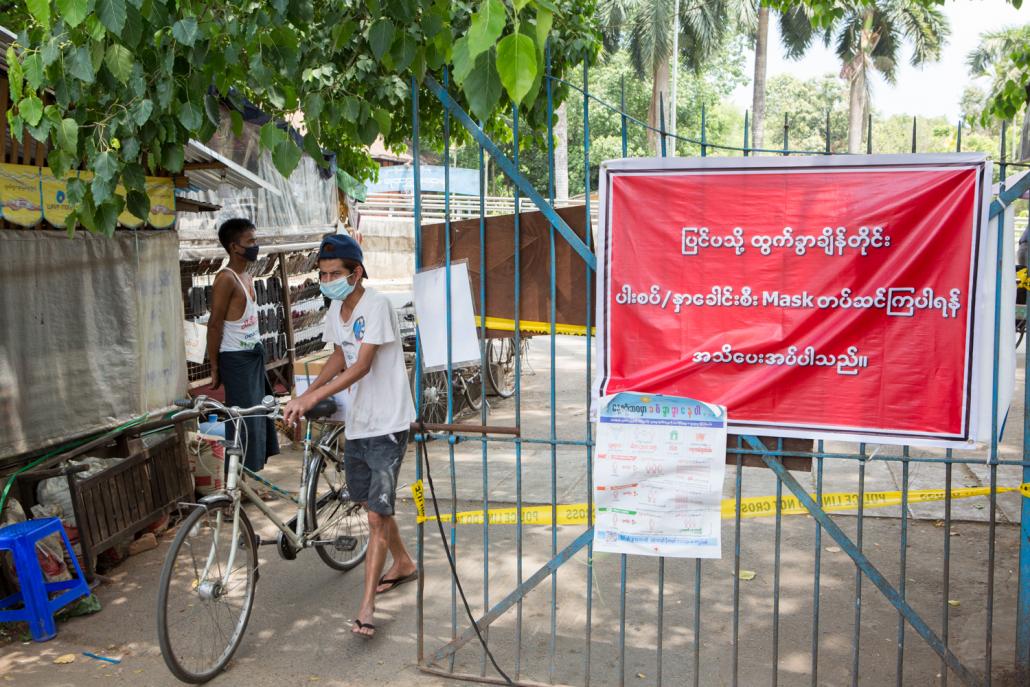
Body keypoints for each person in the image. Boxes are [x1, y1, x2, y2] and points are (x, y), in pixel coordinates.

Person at [283, 234, 417, 639]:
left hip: (388, 423)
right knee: (370, 503)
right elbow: (340, 355)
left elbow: (360, 366)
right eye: (323, 275)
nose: (327, 280)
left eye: (334, 274)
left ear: (356, 273)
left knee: (376, 515)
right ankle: (404, 563)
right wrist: (304, 393)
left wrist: (314, 398)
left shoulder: (377, 305)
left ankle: (366, 608)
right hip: (359, 422)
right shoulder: (337, 310)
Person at [207, 218, 279, 473]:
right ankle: (235, 485)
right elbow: (214, 324)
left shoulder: (246, 275)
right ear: (234, 246)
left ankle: (249, 479)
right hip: (235, 359)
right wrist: (215, 367)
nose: (255, 246)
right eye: (250, 241)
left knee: (258, 418)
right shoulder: (226, 279)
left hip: (252, 356)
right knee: (240, 422)